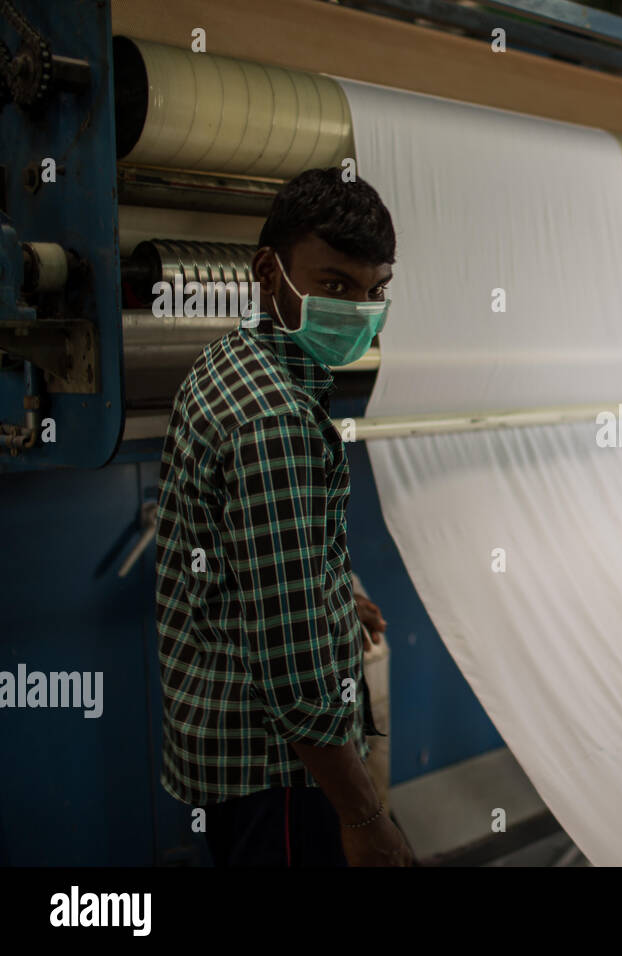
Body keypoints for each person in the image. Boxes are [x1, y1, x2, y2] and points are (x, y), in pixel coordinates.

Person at [155, 167, 413, 866]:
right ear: (269, 272)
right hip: (284, 776)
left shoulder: (233, 365)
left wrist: (334, 598)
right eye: (335, 285)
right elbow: (297, 677)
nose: (360, 309)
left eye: (375, 291)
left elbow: (258, 572)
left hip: (230, 756)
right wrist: (364, 817)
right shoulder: (276, 420)